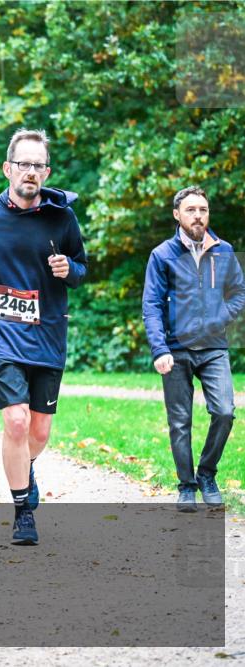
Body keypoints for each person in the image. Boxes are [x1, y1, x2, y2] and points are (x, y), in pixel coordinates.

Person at [0, 128, 87, 545]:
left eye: (38, 165)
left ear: (46, 172)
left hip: (47, 335)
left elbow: (81, 269)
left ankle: (24, 468)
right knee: (15, 421)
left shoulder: (61, 217)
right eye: (23, 164)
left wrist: (70, 270)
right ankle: (22, 510)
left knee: (39, 432)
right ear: (7, 168)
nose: (31, 172)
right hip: (0, 337)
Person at [142, 185, 245, 512]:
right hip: (175, 348)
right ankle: (186, 486)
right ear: (177, 215)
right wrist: (160, 349)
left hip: (213, 347)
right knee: (180, 421)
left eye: (202, 209)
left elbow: (239, 294)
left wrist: (220, 317)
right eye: (190, 210)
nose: (198, 215)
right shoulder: (162, 255)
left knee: (225, 411)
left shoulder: (224, 250)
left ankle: (206, 474)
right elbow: (152, 305)